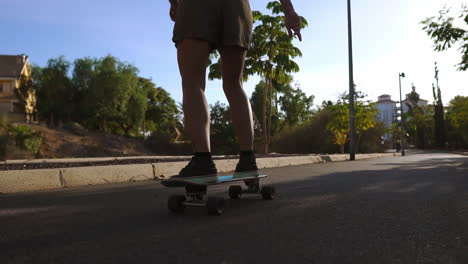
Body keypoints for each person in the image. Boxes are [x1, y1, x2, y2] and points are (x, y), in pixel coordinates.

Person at [169, 0, 302, 178]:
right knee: (234, 84)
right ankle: (248, 159)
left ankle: (202, 160)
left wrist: (174, 4)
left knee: (193, 81)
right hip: (237, 6)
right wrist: (289, 10)